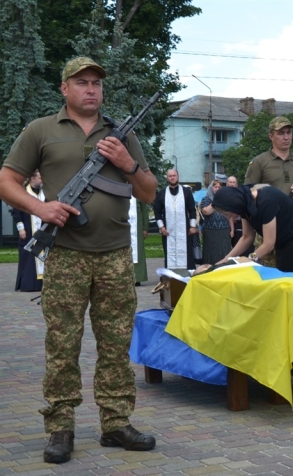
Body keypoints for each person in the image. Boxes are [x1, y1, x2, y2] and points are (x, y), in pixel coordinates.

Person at [0, 56, 158, 463]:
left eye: (97, 83)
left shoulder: (121, 135)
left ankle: (116, 423)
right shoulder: (41, 130)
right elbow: (7, 180)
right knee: (62, 345)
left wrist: (128, 164)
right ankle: (60, 427)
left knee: (116, 344)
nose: (91, 89)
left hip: (115, 257)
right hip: (67, 256)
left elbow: (149, 192)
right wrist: (41, 210)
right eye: (82, 82)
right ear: (65, 88)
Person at [213, 184, 293, 272]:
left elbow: (268, 244)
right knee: (284, 277)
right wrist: (226, 259)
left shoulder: (266, 201)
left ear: (234, 204)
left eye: (230, 214)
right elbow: (247, 237)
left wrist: (248, 259)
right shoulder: (244, 204)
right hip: (282, 241)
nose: (230, 217)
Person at [244, 116, 293, 208]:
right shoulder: (259, 161)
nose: (286, 137)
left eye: (288, 132)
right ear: (271, 136)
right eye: (281, 133)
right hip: (270, 220)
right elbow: (247, 195)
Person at [152, 169, 198, 269]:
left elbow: (192, 210)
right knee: (169, 253)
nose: (172, 178)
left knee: (187, 254)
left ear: (178, 177)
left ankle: (187, 277)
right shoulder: (162, 193)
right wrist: (161, 227)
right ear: (167, 178)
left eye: (174, 175)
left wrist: (192, 226)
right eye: (170, 176)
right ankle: (171, 278)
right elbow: (157, 211)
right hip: (168, 231)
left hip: (185, 230)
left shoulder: (186, 192)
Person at [11, 171, 45, 292]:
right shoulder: (23, 193)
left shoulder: (44, 194)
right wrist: (21, 229)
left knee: (42, 256)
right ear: (32, 178)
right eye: (40, 178)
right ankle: (28, 284)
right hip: (28, 231)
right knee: (28, 258)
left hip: (42, 233)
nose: (42, 180)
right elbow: (16, 211)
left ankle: (41, 284)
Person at [199, 180, 233, 265]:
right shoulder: (206, 199)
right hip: (210, 232)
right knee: (210, 254)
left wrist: (232, 229)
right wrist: (216, 201)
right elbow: (206, 211)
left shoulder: (226, 199)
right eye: (215, 187)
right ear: (211, 188)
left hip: (223, 231)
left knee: (224, 252)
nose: (217, 189)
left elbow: (230, 215)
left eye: (219, 187)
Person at [129, 199, 149, 285]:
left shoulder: (138, 193)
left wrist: (145, 228)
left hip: (137, 225)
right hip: (123, 226)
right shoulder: (119, 189)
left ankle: (138, 277)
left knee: (138, 251)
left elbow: (144, 210)